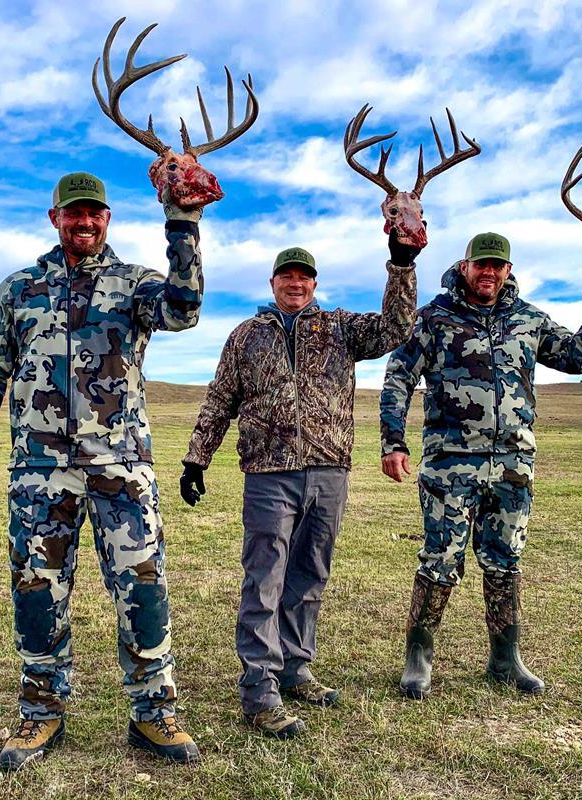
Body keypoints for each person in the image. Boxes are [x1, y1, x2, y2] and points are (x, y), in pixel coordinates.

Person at [0, 171, 208, 769]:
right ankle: (41, 711)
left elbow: (183, 310)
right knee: (37, 591)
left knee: (143, 589)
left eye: (95, 213)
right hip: (40, 471)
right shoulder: (18, 290)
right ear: (56, 219)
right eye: (74, 213)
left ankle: (153, 712)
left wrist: (183, 224)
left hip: (122, 467)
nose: (85, 222)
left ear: (108, 218)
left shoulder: (135, 284)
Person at [179, 235, 418, 737]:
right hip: (269, 474)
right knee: (264, 580)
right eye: (286, 275)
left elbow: (396, 327)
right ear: (272, 282)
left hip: (329, 471)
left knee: (309, 576)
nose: (295, 283)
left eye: (303, 276)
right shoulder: (246, 337)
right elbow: (220, 399)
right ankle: (260, 691)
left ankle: (295, 668)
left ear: (314, 284)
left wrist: (401, 263)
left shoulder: (340, 328)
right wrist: (197, 459)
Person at [379, 231, 582, 699]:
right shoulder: (433, 318)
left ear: (508, 270)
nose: (489, 273)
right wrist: (394, 441)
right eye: (481, 265)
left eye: (498, 266)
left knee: (505, 560)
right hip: (450, 464)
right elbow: (398, 378)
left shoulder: (529, 320)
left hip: (513, 464)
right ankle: (418, 658)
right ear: (466, 266)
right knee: (439, 559)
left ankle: (505, 659)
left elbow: (578, 358)